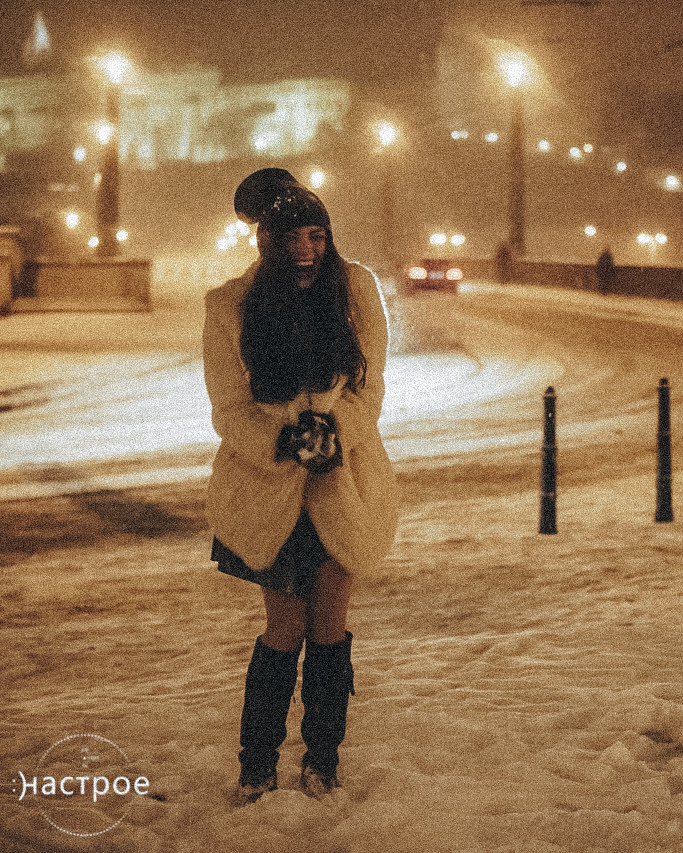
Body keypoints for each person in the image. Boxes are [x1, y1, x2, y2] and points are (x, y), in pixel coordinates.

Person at [203, 168, 399, 804]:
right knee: (283, 627)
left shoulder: (355, 289)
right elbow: (229, 410)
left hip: (343, 485)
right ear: (266, 241)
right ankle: (257, 764)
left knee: (331, 625)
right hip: (268, 491)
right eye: (293, 239)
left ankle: (323, 761)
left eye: (319, 236)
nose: (308, 251)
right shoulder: (230, 304)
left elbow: (371, 390)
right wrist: (282, 442)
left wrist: (336, 429)